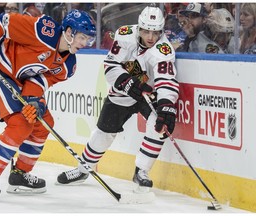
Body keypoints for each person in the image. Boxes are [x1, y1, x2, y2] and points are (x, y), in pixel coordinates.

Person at [0, 9, 96, 201]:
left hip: (18, 81)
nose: (85, 44)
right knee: (21, 123)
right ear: (69, 32)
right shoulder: (44, 31)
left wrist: (34, 102)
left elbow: (39, 82)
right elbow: (1, 21)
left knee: (43, 122)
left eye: (89, 39)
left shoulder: (68, 66)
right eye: (82, 37)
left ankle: (20, 174)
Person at [57, 6, 179, 191]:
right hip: (123, 92)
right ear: (139, 27)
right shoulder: (124, 34)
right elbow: (110, 65)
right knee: (103, 133)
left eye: (155, 32)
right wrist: (127, 83)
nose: (150, 37)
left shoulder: (164, 50)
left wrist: (166, 104)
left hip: (148, 94)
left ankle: (142, 171)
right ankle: (83, 169)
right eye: (146, 31)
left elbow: (166, 81)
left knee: (159, 124)